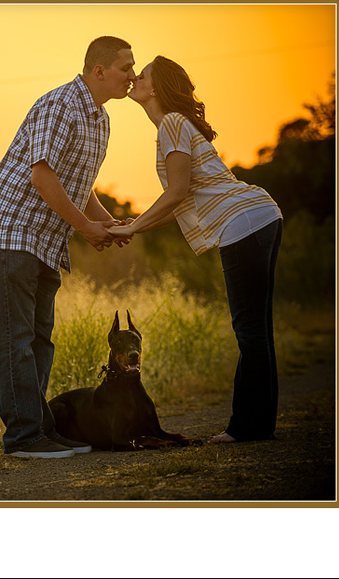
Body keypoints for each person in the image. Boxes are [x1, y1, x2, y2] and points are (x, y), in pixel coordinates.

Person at [0, 36, 136, 459]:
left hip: (45, 243)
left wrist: (106, 224)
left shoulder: (100, 120)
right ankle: (24, 438)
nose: (132, 77)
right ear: (98, 71)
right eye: (125, 68)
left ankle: (39, 429)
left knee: (41, 340)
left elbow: (76, 188)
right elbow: (42, 179)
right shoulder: (59, 106)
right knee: (16, 341)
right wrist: (85, 229)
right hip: (11, 235)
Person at [107, 55, 283, 443]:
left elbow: (176, 194)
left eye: (144, 73)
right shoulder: (175, 126)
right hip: (260, 217)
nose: (135, 77)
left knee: (250, 331)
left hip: (244, 223)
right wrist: (134, 224)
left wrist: (134, 226)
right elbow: (179, 203)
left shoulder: (171, 123)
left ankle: (245, 428)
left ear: (157, 88)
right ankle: (260, 425)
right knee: (257, 330)